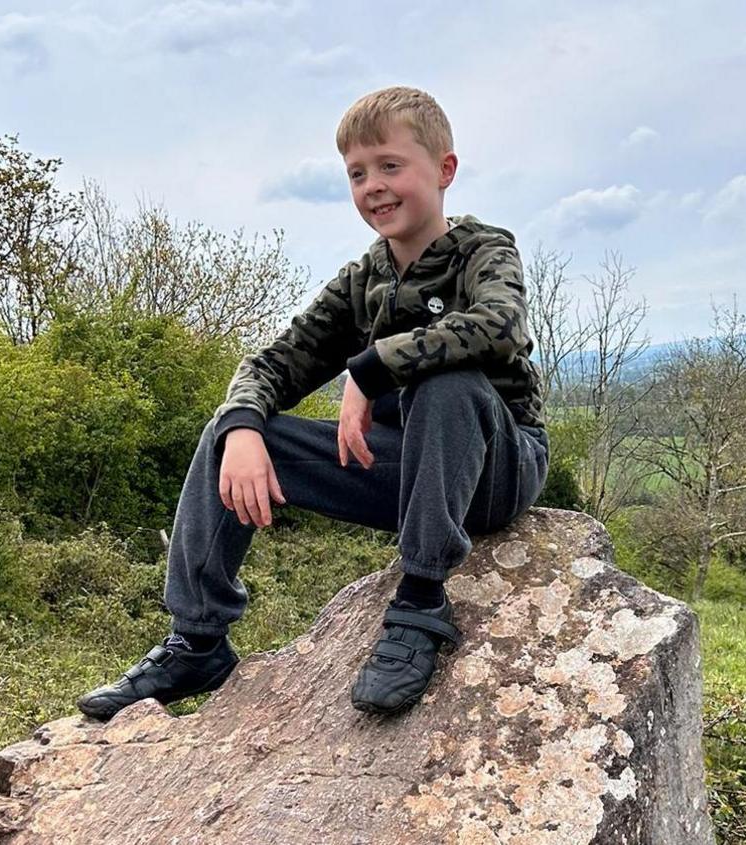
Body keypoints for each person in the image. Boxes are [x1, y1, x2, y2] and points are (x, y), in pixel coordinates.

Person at [76, 86, 548, 720]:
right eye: (357, 173)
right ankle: (197, 641)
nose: (373, 186)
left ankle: (421, 602)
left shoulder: (483, 250)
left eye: (390, 165)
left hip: (494, 470)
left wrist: (376, 365)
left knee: (448, 382)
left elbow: (499, 326)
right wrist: (242, 428)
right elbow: (272, 362)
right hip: (406, 471)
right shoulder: (363, 281)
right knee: (232, 428)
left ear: (444, 170)